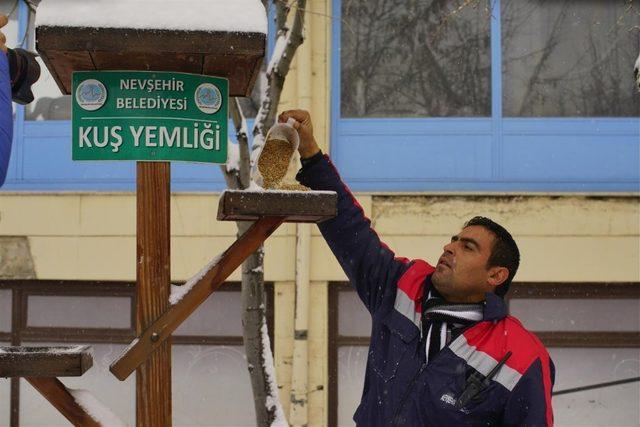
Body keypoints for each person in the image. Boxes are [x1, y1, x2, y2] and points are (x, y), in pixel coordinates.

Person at [279, 109, 555, 426]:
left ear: (495, 275)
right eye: (454, 240)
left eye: (468, 247)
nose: (449, 248)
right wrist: (312, 155)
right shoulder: (401, 289)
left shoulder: (521, 355)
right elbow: (350, 231)